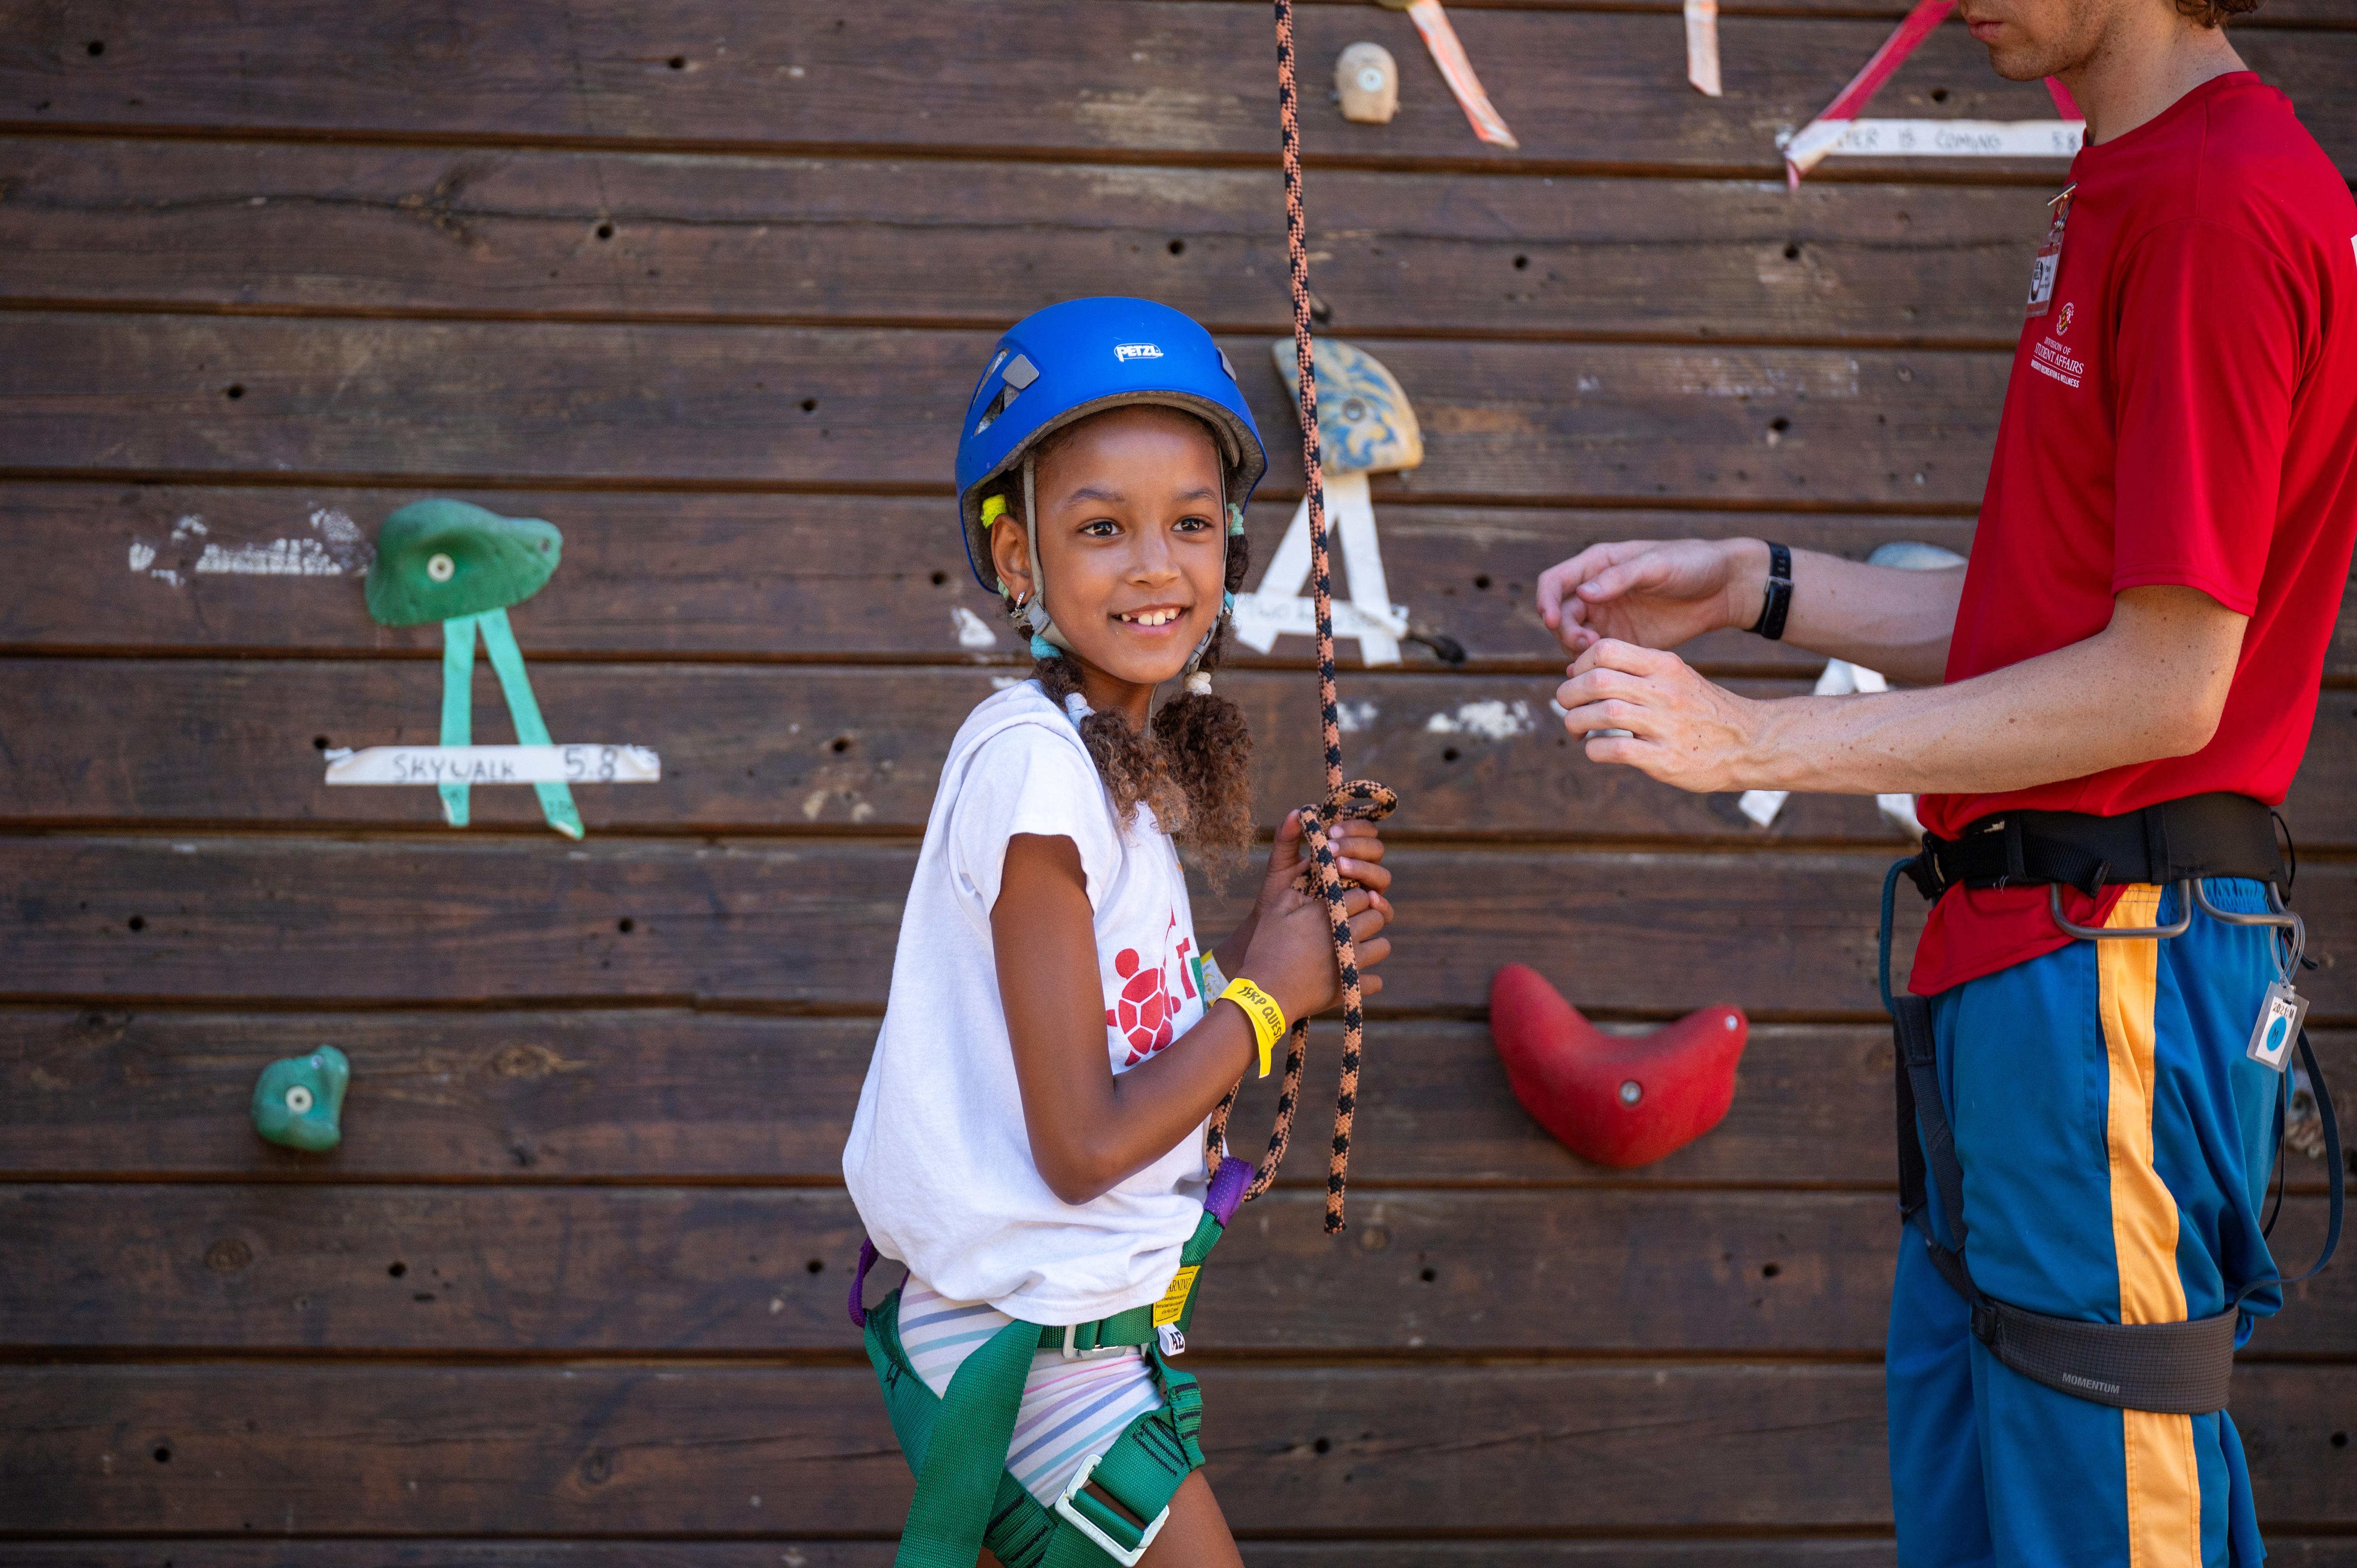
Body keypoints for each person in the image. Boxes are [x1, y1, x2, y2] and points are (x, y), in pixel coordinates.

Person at [1532, 0, 2356, 1559]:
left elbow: (2168, 683)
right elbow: (2058, 620)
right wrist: (1752, 583)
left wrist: (1755, 742)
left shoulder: (2216, 202)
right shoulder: (2134, 176)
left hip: (2113, 965)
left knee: (2104, 1522)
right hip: (2032, 967)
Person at [843, 297, 1396, 1568]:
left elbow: (1133, 1038)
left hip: (1066, 1330)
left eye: (1191, 524)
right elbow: (1083, 1145)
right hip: (1032, 1354)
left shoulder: (1108, 772)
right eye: (1103, 528)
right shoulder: (1038, 771)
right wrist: (1264, 1001)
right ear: (1019, 557)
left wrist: (1276, 931)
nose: (1157, 567)